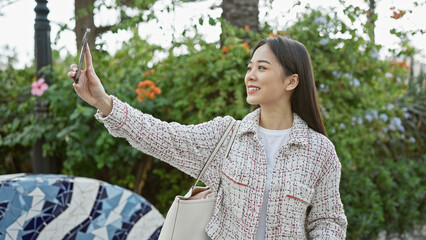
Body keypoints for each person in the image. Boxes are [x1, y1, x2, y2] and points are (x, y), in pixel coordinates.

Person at [67, 36, 347, 239]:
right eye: (250, 67)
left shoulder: (319, 151)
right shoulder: (228, 136)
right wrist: (103, 102)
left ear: (291, 81)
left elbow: (328, 221)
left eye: (262, 68)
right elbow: (162, 137)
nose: (250, 75)